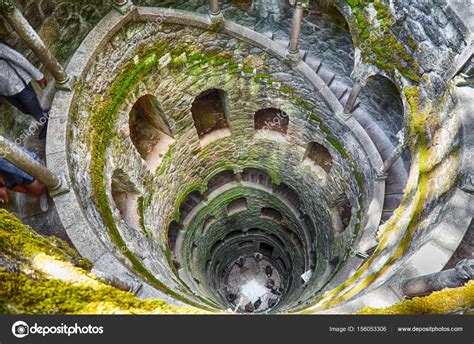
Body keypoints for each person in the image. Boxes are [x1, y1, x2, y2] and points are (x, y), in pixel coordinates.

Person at [0, 40, 48, 139]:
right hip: (4, 91)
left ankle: (46, 121)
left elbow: (19, 58)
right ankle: (44, 115)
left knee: (34, 109)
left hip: (19, 84)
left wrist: (38, 76)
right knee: (26, 110)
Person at [0, 145, 48, 212]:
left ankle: (40, 169)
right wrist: (1, 186)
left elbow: (16, 161)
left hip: (16, 163)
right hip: (4, 170)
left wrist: (30, 177)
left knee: (38, 191)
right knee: (20, 188)